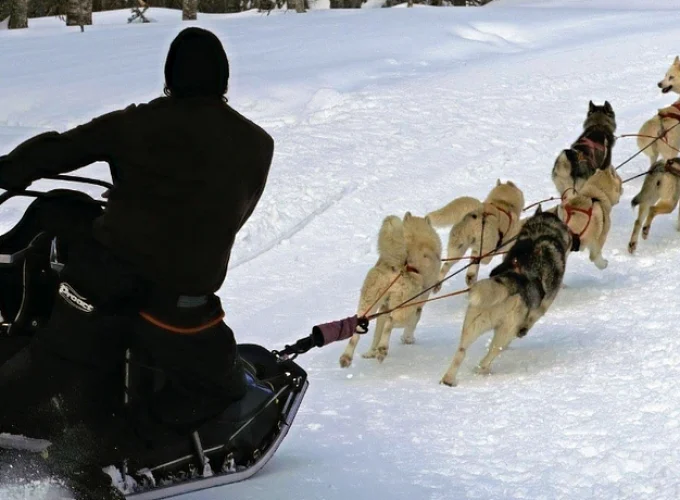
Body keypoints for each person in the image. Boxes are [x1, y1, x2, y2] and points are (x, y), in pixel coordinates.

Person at [0, 27, 274, 498]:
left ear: (169, 79)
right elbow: (228, 217)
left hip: (95, 289)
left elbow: (54, 150)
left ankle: (66, 419)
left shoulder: (137, 123)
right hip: (179, 312)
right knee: (220, 392)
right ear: (223, 82)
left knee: (46, 361)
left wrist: (6, 170)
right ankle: (103, 445)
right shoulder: (257, 145)